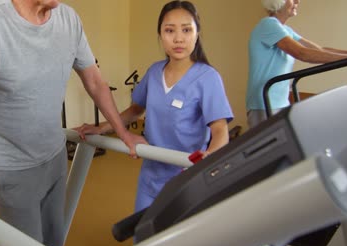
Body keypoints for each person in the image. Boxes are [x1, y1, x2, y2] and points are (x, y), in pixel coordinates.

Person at [0, 0, 145, 246]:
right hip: (12, 165)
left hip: (54, 154)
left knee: (53, 241)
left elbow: (95, 82)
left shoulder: (68, 19)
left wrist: (122, 132)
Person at [75, 0, 233, 213]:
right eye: (169, 30)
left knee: (178, 242)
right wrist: (102, 127)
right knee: (145, 232)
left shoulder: (208, 78)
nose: (178, 38)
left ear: (197, 33)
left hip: (187, 177)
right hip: (152, 175)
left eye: (187, 30)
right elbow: (135, 111)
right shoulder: (154, 72)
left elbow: (220, 129)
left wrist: (210, 156)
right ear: (160, 35)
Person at [246, 0, 347, 128]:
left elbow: (319, 50)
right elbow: (303, 53)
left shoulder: (285, 29)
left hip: (279, 101)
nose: (297, 1)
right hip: (264, 102)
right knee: (271, 149)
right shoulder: (268, 24)